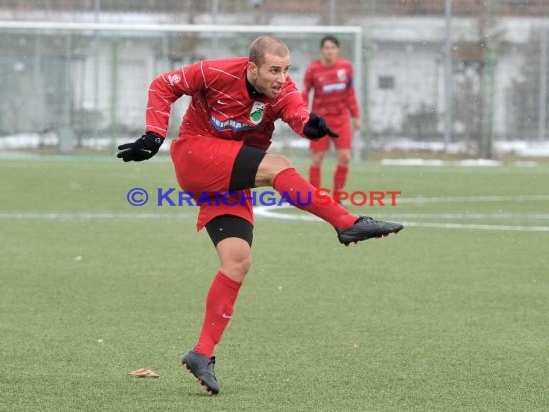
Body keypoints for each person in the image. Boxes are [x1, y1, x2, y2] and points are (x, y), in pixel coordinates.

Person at [117, 36, 402, 396]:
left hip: (228, 176)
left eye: (286, 70)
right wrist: (154, 134)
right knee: (278, 166)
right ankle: (346, 223)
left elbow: (297, 110)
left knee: (237, 262)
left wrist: (308, 126)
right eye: (273, 70)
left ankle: (201, 353)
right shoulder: (216, 71)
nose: (282, 78)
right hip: (196, 156)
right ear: (252, 68)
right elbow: (163, 85)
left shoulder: (283, 90)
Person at [301, 35, 362, 197]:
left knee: (345, 157)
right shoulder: (313, 69)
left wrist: (356, 115)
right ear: (322, 50)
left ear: (338, 50)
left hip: (341, 117)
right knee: (317, 158)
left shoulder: (346, 67)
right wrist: (302, 115)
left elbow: (350, 93)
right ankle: (315, 197)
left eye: (333, 48)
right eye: (326, 48)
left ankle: (338, 195)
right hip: (320, 119)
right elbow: (305, 93)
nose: (329, 51)